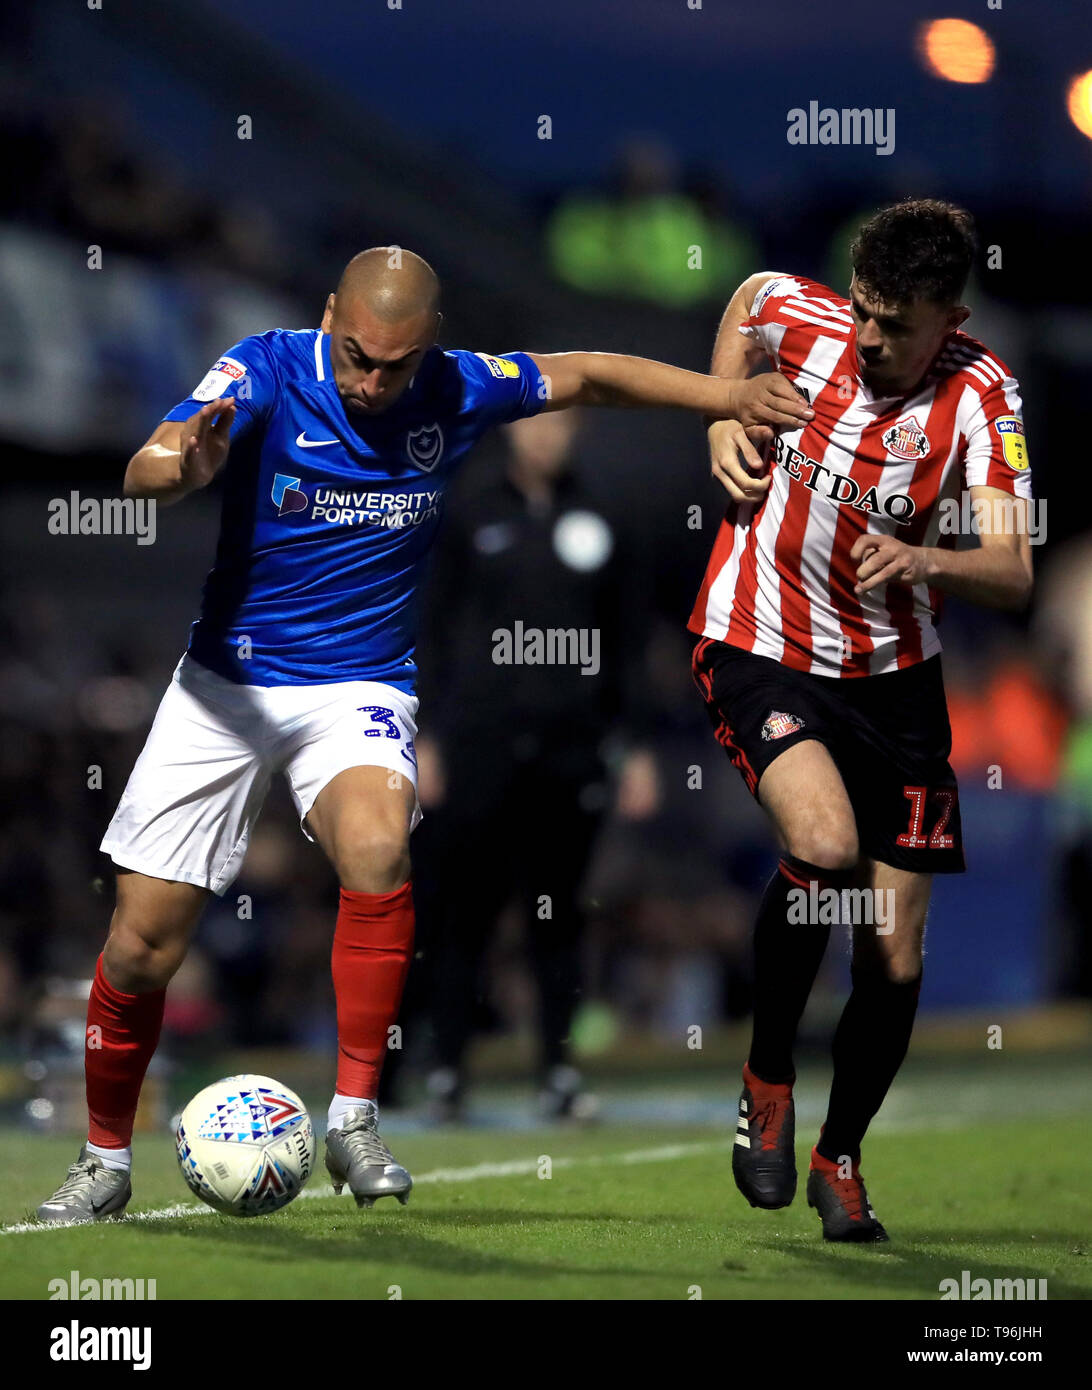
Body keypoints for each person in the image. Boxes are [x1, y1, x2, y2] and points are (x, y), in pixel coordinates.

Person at [36, 245, 811, 1223]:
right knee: (144, 946)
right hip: (225, 689)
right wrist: (175, 468)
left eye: (393, 366)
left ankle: (354, 1116)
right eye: (356, 356)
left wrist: (720, 396)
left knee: (379, 848)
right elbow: (156, 455)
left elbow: (592, 374)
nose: (370, 382)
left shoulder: (459, 388)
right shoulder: (266, 366)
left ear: (429, 346)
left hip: (356, 684)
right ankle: (105, 1157)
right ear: (329, 318)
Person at [688, 201, 1033, 1241]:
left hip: (893, 681)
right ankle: (765, 1076)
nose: (871, 338)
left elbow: (1014, 569)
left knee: (894, 954)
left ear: (952, 317)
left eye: (897, 325)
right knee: (824, 846)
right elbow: (746, 302)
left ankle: (841, 1157)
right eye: (866, 313)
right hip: (759, 641)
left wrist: (930, 559)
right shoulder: (803, 315)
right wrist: (718, 411)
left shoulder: (984, 395)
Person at [410, 407, 659, 1122]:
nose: (547, 435)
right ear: (513, 427)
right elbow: (432, 626)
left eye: (563, 423)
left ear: (580, 427)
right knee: (464, 914)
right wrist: (425, 734)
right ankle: (448, 1072)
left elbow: (629, 643)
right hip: (479, 743)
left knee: (559, 918)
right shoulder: (466, 509)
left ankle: (557, 1073)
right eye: (536, 423)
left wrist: (634, 745)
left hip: (571, 746)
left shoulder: (606, 514)